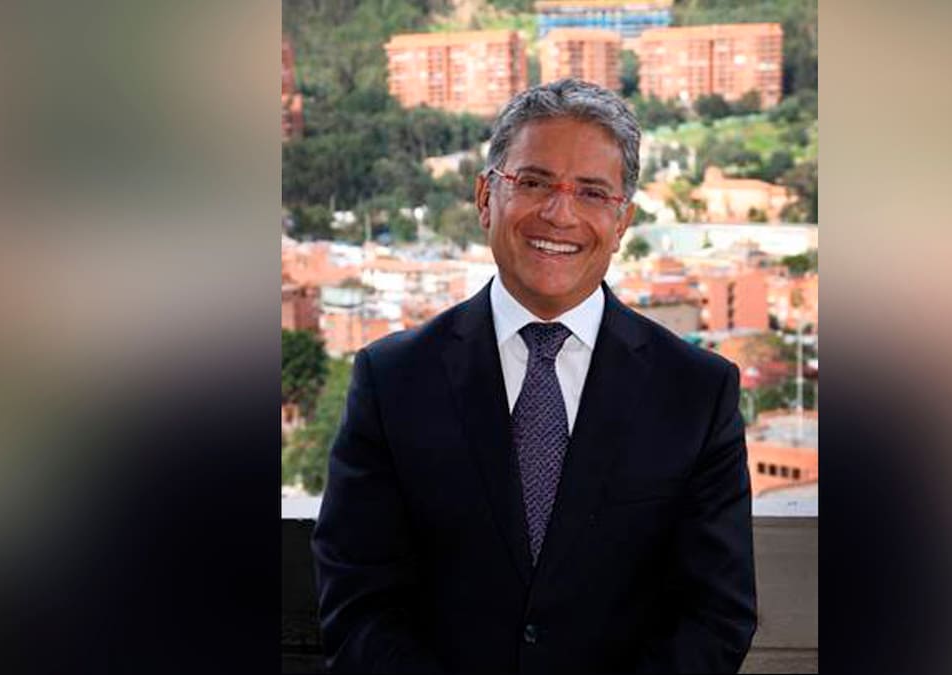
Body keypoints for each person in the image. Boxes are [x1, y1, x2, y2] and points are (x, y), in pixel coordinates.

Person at [312, 78, 756, 674]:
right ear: (485, 197)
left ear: (622, 222)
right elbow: (357, 605)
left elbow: (716, 616)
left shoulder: (697, 393)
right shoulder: (391, 381)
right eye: (534, 182)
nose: (559, 212)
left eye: (592, 192)